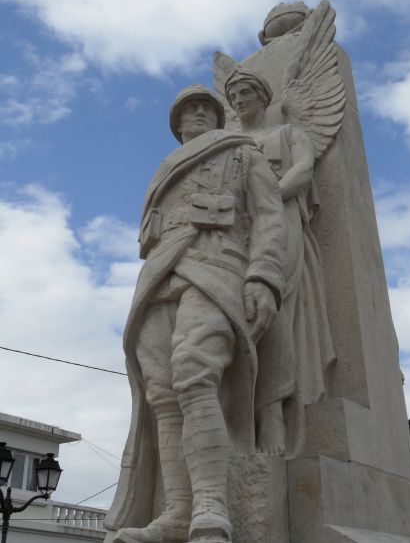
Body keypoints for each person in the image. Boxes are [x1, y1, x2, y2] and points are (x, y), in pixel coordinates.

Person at [104, 85, 286, 543]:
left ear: (219, 118)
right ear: (178, 124)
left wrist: (263, 276)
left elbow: (268, 216)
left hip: (218, 265)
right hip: (159, 276)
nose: (200, 114)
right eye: (191, 110)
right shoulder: (164, 172)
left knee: (194, 374)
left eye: (208, 107)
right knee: (162, 395)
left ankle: (211, 505)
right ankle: (178, 513)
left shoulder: (243, 154)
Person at [225, 68, 335, 456]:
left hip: (281, 224)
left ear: (262, 97)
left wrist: (266, 199)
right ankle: (238, 420)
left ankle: (271, 417)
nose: (238, 101)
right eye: (232, 94)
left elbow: (303, 171)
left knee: (273, 315)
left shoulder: (288, 134)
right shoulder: (228, 144)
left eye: (244, 92)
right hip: (236, 231)